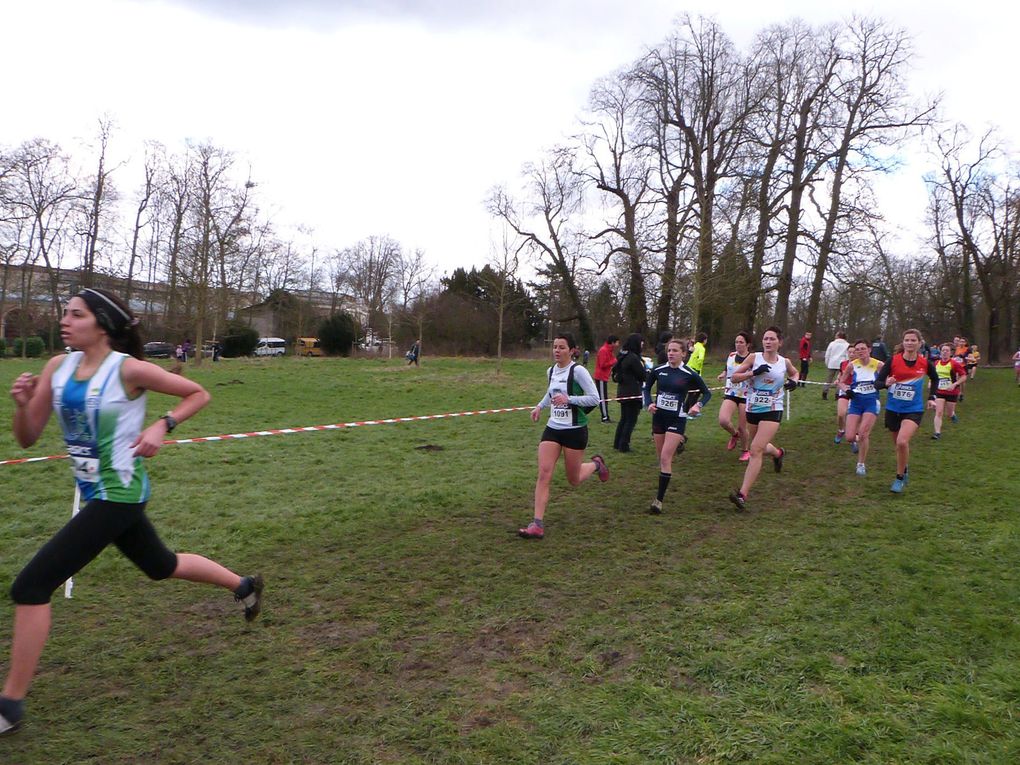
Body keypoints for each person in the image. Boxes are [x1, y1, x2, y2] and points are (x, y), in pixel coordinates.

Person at [0, 288, 263, 736]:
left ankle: (10, 704)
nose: (65, 320)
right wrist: (23, 407)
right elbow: (27, 438)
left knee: (32, 585)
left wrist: (163, 424)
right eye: (64, 313)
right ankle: (245, 586)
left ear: (101, 324)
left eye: (76, 314)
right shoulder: (56, 368)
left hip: (119, 494)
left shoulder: (128, 370)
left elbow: (198, 393)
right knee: (161, 565)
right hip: (95, 492)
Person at [519, 333, 608, 539]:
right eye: (555, 347)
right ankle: (537, 524)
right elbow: (551, 393)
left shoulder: (578, 371)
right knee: (544, 473)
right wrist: (540, 407)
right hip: (553, 428)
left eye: (562, 347)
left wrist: (569, 399)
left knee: (574, 479)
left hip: (575, 430)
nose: (557, 351)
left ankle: (596, 464)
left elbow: (595, 398)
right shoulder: (551, 371)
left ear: (572, 350)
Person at [727, 326, 799, 510]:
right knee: (759, 445)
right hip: (753, 408)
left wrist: (794, 381)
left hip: (773, 409)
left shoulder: (784, 362)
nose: (768, 342)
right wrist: (753, 373)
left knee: (755, 449)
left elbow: (795, 372)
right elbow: (734, 377)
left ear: (779, 342)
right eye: (765, 339)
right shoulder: (754, 358)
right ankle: (778, 454)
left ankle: (742, 494)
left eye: (772, 339)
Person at [644, 338, 712, 514]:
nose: (671, 353)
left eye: (675, 351)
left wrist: (698, 405)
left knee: (666, 458)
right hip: (659, 418)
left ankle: (658, 500)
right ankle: (679, 442)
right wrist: (648, 403)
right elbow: (646, 388)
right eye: (669, 350)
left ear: (683, 353)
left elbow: (706, 393)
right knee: (661, 457)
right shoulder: (658, 370)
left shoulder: (689, 373)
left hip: (677, 418)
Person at [875, 328, 939, 493]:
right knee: (898, 446)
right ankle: (904, 467)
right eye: (907, 340)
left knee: (902, 441)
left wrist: (932, 397)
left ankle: (899, 477)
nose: (910, 343)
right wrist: (886, 383)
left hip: (914, 409)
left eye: (913, 340)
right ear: (903, 343)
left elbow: (935, 378)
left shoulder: (924, 363)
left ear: (919, 343)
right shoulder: (893, 361)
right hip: (893, 408)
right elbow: (877, 383)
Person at [840, 340, 883, 475]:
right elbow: (840, 381)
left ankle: (861, 464)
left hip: (871, 401)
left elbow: (888, 379)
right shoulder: (852, 366)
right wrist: (846, 390)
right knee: (850, 436)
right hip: (856, 402)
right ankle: (859, 441)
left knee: (863, 433)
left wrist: (885, 383)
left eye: (863, 349)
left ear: (869, 350)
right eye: (857, 349)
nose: (860, 352)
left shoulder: (879, 365)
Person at [717, 331, 752, 461]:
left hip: (746, 395)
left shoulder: (752, 358)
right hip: (731, 392)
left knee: (743, 427)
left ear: (748, 344)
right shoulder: (731, 355)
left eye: (741, 342)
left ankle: (745, 450)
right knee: (723, 420)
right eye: (736, 342)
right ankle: (734, 435)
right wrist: (723, 374)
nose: (738, 344)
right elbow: (727, 368)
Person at [612, 333, 647, 453]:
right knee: (630, 420)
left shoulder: (623, 356)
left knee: (624, 419)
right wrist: (647, 369)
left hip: (623, 391)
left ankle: (617, 443)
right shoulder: (633, 358)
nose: (643, 344)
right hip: (632, 392)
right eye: (641, 342)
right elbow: (642, 375)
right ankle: (624, 445)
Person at [931, 342, 966, 439]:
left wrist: (955, 384)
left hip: (952, 392)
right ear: (940, 352)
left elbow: (963, 376)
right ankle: (937, 433)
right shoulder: (936, 363)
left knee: (949, 413)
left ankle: (952, 415)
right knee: (939, 412)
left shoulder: (954, 364)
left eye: (947, 350)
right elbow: (933, 376)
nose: (945, 352)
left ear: (951, 353)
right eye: (943, 350)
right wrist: (931, 382)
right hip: (939, 391)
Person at [833, 344, 858, 444]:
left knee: (854, 415)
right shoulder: (843, 364)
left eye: (854, 352)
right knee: (841, 414)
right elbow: (840, 374)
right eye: (850, 352)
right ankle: (841, 430)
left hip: (857, 391)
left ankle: (855, 436)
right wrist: (837, 380)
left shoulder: (861, 365)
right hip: (844, 390)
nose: (851, 354)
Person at [593, 335, 620, 423]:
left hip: (604, 377)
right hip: (600, 377)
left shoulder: (610, 351)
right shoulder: (603, 350)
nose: (618, 344)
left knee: (604, 397)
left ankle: (605, 415)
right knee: (603, 398)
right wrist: (614, 361)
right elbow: (602, 364)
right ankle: (605, 418)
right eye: (617, 342)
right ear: (612, 342)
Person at [684, 332, 708, 413]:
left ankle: (685, 410)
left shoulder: (694, 346)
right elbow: (700, 359)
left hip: (688, 368)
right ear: (704, 340)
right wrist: (698, 371)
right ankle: (691, 410)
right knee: (696, 391)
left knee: (692, 391)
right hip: (694, 371)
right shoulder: (701, 348)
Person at [821, 331, 849, 400]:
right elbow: (847, 356)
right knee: (840, 380)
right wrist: (846, 365)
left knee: (828, 379)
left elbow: (827, 354)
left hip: (832, 363)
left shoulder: (832, 344)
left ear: (838, 336)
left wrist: (827, 363)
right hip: (842, 364)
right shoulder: (847, 345)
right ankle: (837, 395)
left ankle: (824, 393)